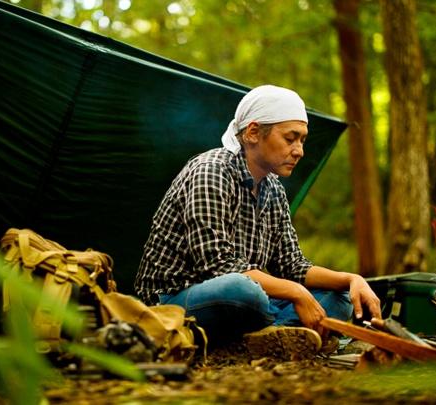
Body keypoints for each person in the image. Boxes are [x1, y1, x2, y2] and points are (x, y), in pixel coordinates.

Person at [134, 85, 381, 357]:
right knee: (244, 291)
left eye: (302, 140)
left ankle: (256, 340)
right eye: (290, 138)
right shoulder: (211, 172)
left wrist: (351, 279)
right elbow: (218, 267)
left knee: (339, 298)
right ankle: (268, 333)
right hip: (174, 300)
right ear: (253, 133)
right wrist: (295, 292)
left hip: (249, 300)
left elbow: (292, 265)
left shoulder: (273, 188)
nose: (299, 150)